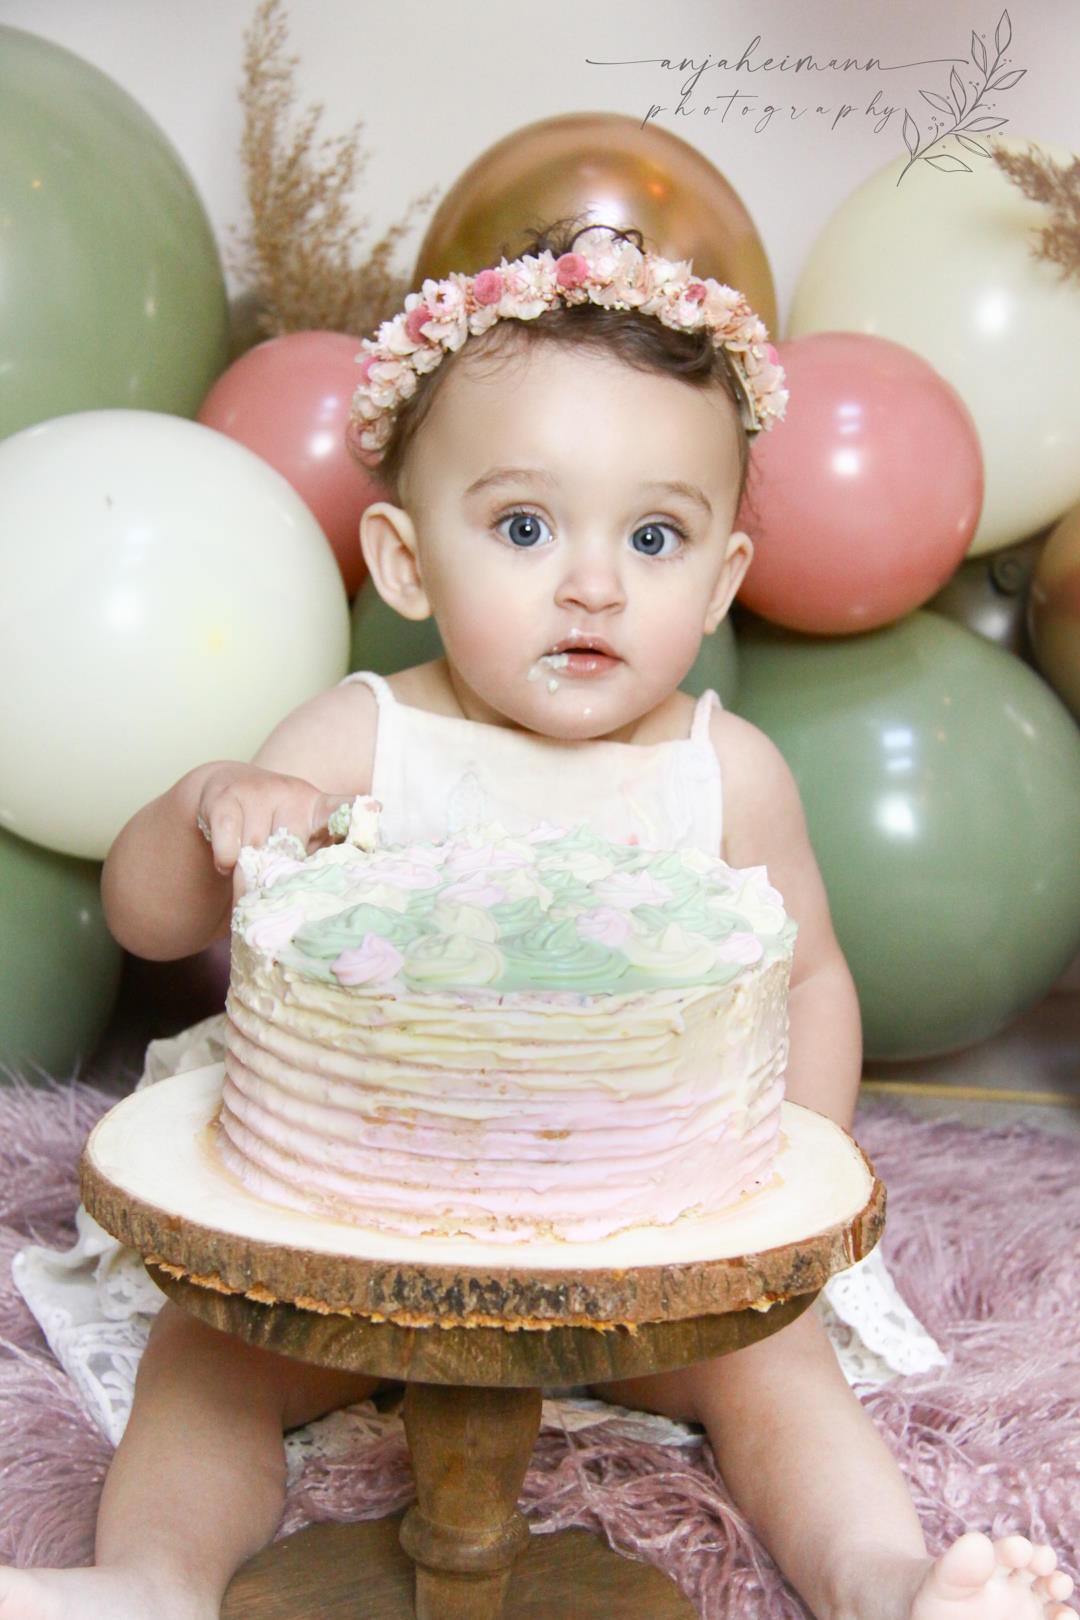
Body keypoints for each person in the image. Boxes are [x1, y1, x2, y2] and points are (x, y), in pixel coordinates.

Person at [1, 221, 1072, 1620]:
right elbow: (149, 924)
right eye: (523, 528)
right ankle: (149, 1581)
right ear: (403, 560)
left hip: (638, 1245)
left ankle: (882, 1580)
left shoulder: (725, 771)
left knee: (774, 1370)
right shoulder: (361, 739)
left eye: (654, 536)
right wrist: (214, 805)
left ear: (725, 578)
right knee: (210, 1364)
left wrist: (771, 1189)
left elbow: (809, 977)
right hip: (361, 1232)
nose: (593, 584)